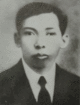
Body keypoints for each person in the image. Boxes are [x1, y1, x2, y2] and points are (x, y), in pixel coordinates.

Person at [0, 2, 79, 105]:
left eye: (50, 33)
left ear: (63, 40)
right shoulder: (2, 84)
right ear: (17, 39)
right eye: (29, 33)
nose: (40, 44)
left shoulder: (76, 85)